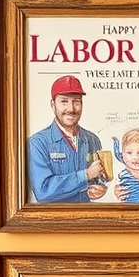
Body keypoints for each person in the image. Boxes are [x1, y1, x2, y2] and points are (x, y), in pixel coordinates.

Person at [27, 74, 107, 204]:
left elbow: (99, 179)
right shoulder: (37, 143)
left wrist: (100, 188)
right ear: (53, 105)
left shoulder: (93, 140)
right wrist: (85, 175)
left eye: (76, 102)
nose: (71, 109)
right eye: (64, 101)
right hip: (55, 221)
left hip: (87, 218)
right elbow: (43, 191)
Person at [107, 127, 139, 204]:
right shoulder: (120, 176)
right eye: (129, 153)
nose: (135, 157)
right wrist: (115, 194)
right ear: (123, 155)